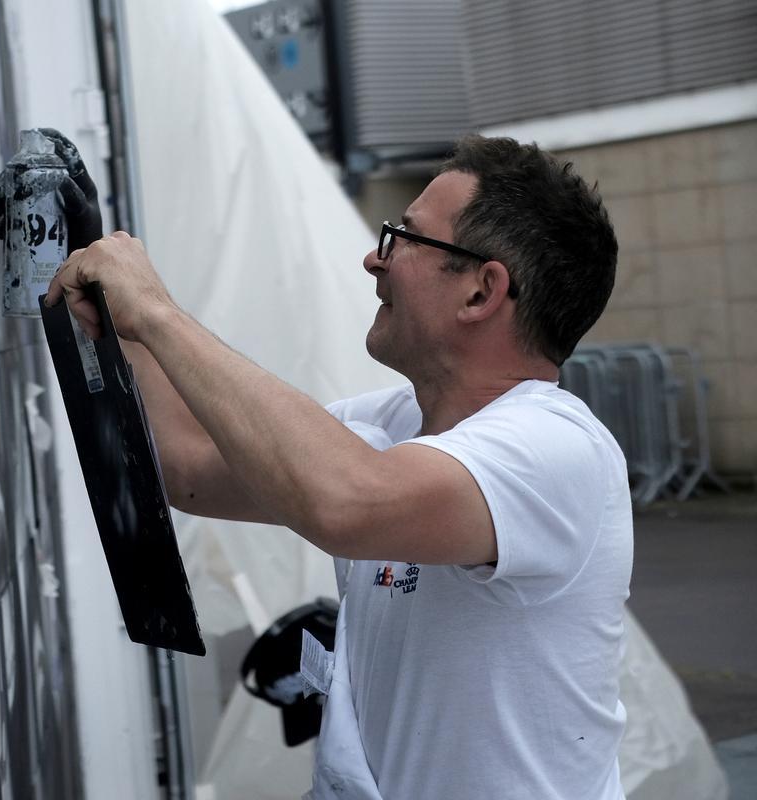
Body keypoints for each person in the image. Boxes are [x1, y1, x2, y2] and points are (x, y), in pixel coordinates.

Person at [38, 131, 632, 799]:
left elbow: (344, 504)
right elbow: (192, 470)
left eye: (403, 238)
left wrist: (158, 312)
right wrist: (116, 307)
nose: (373, 260)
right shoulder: (387, 427)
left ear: (479, 293)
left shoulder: (555, 450)